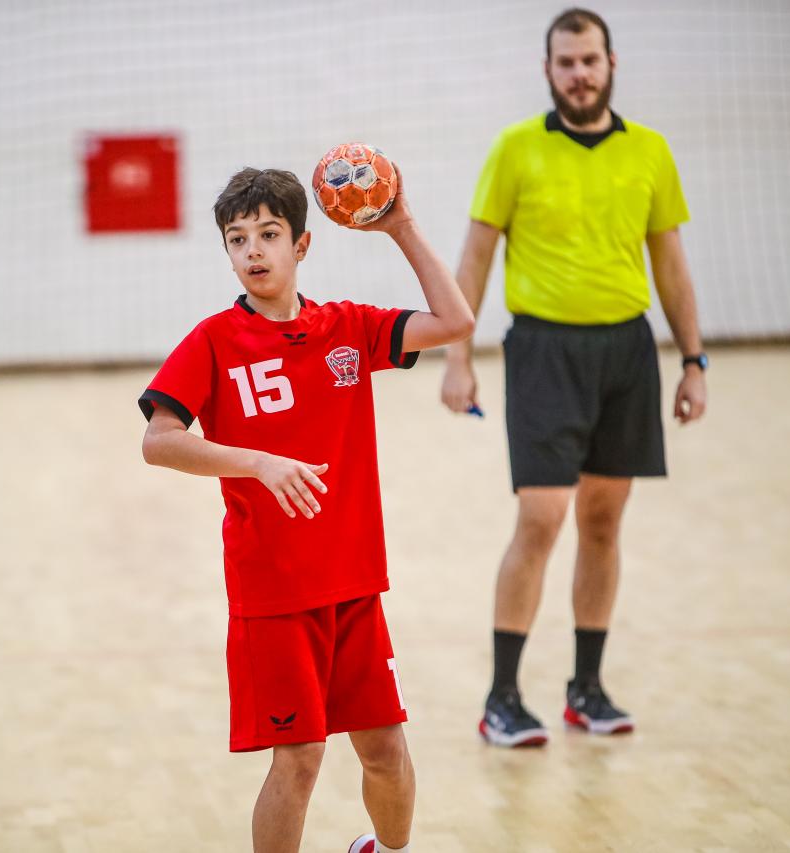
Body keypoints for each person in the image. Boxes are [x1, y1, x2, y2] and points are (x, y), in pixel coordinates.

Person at [139, 167, 473, 853]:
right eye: (237, 239)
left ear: (301, 244)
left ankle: (386, 850)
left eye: (268, 234)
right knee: (299, 758)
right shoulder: (214, 340)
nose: (253, 251)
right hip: (274, 592)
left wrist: (401, 226)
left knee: (386, 751)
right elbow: (158, 441)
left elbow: (456, 322)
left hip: (353, 585)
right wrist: (257, 462)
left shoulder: (347, 328)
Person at [440, 8, 709, 747]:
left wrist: (693, 361)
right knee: (542, 517)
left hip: (627, 351)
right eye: (566, 63)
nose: (579, 74)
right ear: (548, 70)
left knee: (603, 520)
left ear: (611, 63)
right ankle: (502, 697)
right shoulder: (515, 148)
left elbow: (670, 263)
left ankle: (586, 688)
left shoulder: (650, 150)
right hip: (543, 351)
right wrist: (457, 357)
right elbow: (474, 257)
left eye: (590, 60)